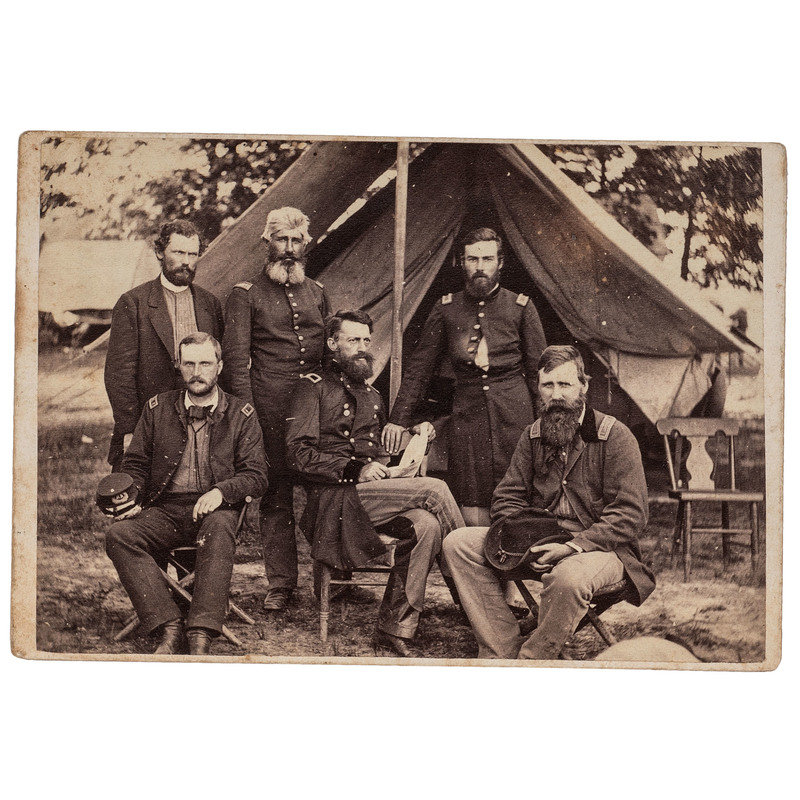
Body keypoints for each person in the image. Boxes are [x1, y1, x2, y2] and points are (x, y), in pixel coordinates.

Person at [443, 345, 655, 660]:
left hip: (601, 550)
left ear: (584, 386)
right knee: (458, 544)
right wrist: (524, 540)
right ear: (538, 388)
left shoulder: (614, 436)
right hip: (539, 544)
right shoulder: (533, 435)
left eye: (565, 384)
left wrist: (572, 547)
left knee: (569, 578)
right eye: (548, 385)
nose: (556, 395)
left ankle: (533, 660)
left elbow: (630, 514)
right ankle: (501, 650)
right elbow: (507, 496)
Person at [286, 310, 465, 657]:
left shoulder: (371, 394)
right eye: (353, 340)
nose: (362, 347)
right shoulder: (312, 387)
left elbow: (380, 448)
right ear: (332, 343)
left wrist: (416, 434)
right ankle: (473, 592)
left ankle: (395, 628)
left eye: (366, 340)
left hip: (367, 497)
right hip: (334, 499)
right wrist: (355, 469)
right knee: (434, 490)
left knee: (426, 525)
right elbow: (297, 454)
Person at [104, 333, 268, 655]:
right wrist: (131, 498)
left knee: (219, 530)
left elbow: (257, 474)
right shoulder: (157, 408)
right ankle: (168, 625)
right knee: (119, 535)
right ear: (178, 366)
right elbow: (135, 464)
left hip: (217, 510)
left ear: (219, 366)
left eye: (205, 363)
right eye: (189, 363)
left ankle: (201, 634)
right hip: (165, 510)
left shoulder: (242, 414)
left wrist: (222, 491)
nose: (197, 371)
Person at [384, 227, 547, 527]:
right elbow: (419, 368)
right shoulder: (446, 307)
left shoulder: (521, 307)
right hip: (467, 417)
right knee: (472, 497)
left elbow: (540, 375)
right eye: (473, 259)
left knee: (518, 491)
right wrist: (397, 419)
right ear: (462, 262)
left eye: (487, 259)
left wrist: (544, 424)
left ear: (500, 262)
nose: (480, 267)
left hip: (515, 413)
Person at [221, 207, 329, 612]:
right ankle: (281, 583)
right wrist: (247, 416)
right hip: (268, 410)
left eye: (296, 240)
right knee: (276, 496)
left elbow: (328, 354)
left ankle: (331, 578)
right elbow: (236, 362)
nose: (289, 248)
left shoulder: (317, 292)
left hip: (315, 412)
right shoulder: (245, 294)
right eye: (281, 239)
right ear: (268, 242)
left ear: (306, 245)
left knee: (326, 495)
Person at [104, 220, 224, 469]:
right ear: (160, 252)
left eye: (193, 254)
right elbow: (119, 374)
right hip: (150, 423)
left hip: (202, 421)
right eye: (178, 252)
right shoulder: (133, 303)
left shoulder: (210, 304)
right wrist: (130, 429)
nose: (186, 261)